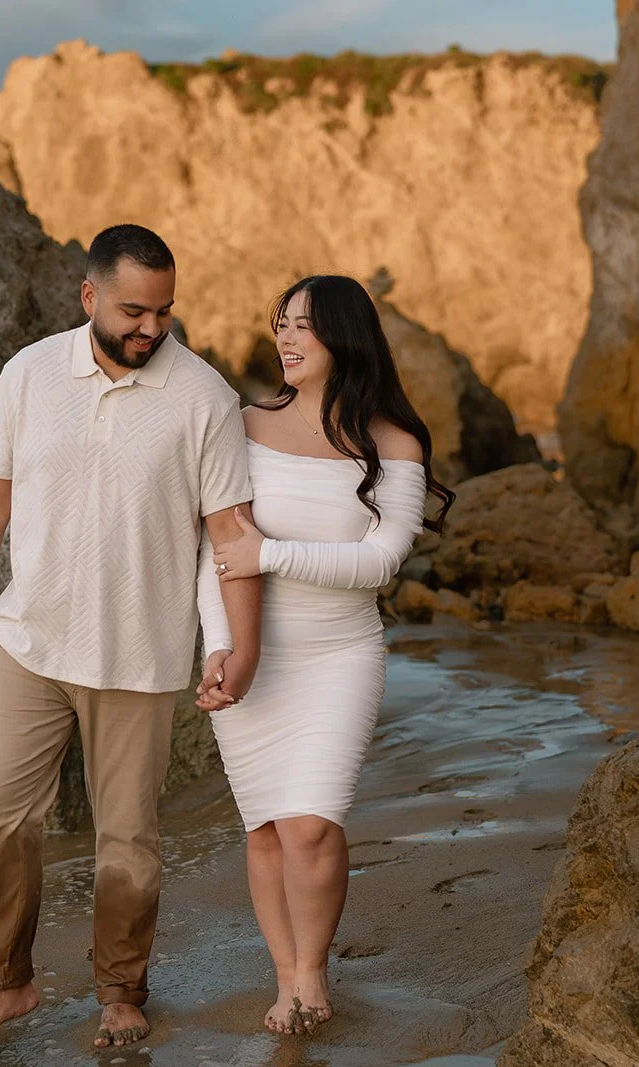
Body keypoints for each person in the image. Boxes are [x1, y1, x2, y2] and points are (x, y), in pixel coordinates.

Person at [0, 224, 263, 1055]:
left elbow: (230, 534)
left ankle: (121, 990)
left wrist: (238, 643)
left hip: (140, 655)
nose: (151, 328)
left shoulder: (205, 399)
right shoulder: (31, 373)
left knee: (128, 839)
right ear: (89, 297)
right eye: (132, 311)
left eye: (164, 312)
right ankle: (6, 984)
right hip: (31, 641)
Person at [194, 274, 455, 1035]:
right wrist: (221, 645)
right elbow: (215, 553)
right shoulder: (240, 424)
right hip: (250, 652)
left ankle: (315, 971)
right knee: (267, 828)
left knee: (310, 821)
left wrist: (270, 553)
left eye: (305, 325)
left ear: (345, 336)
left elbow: (380, 564)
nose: (286, 337)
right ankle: (287, 978)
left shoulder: (393, 440)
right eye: (282, 323)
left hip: (340, 654)